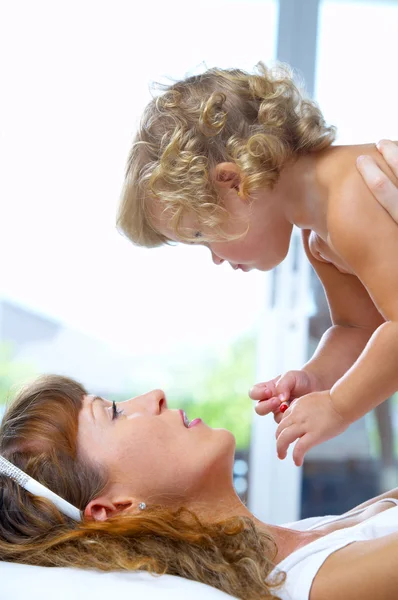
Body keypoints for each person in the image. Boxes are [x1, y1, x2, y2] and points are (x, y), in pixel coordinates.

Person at [117, 63, 398, 466]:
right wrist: (317, 378)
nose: (215, 256)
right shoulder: (318, 234)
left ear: (234, 182)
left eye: (200, 234)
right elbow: (360, 327)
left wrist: (338, 407)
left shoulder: (355, 197)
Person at [1, 374, 398, 600]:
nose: (155, 396)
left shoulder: (303, 539)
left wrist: (343, 381)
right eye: (115, 413)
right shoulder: (315, 586)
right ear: (113, 508)